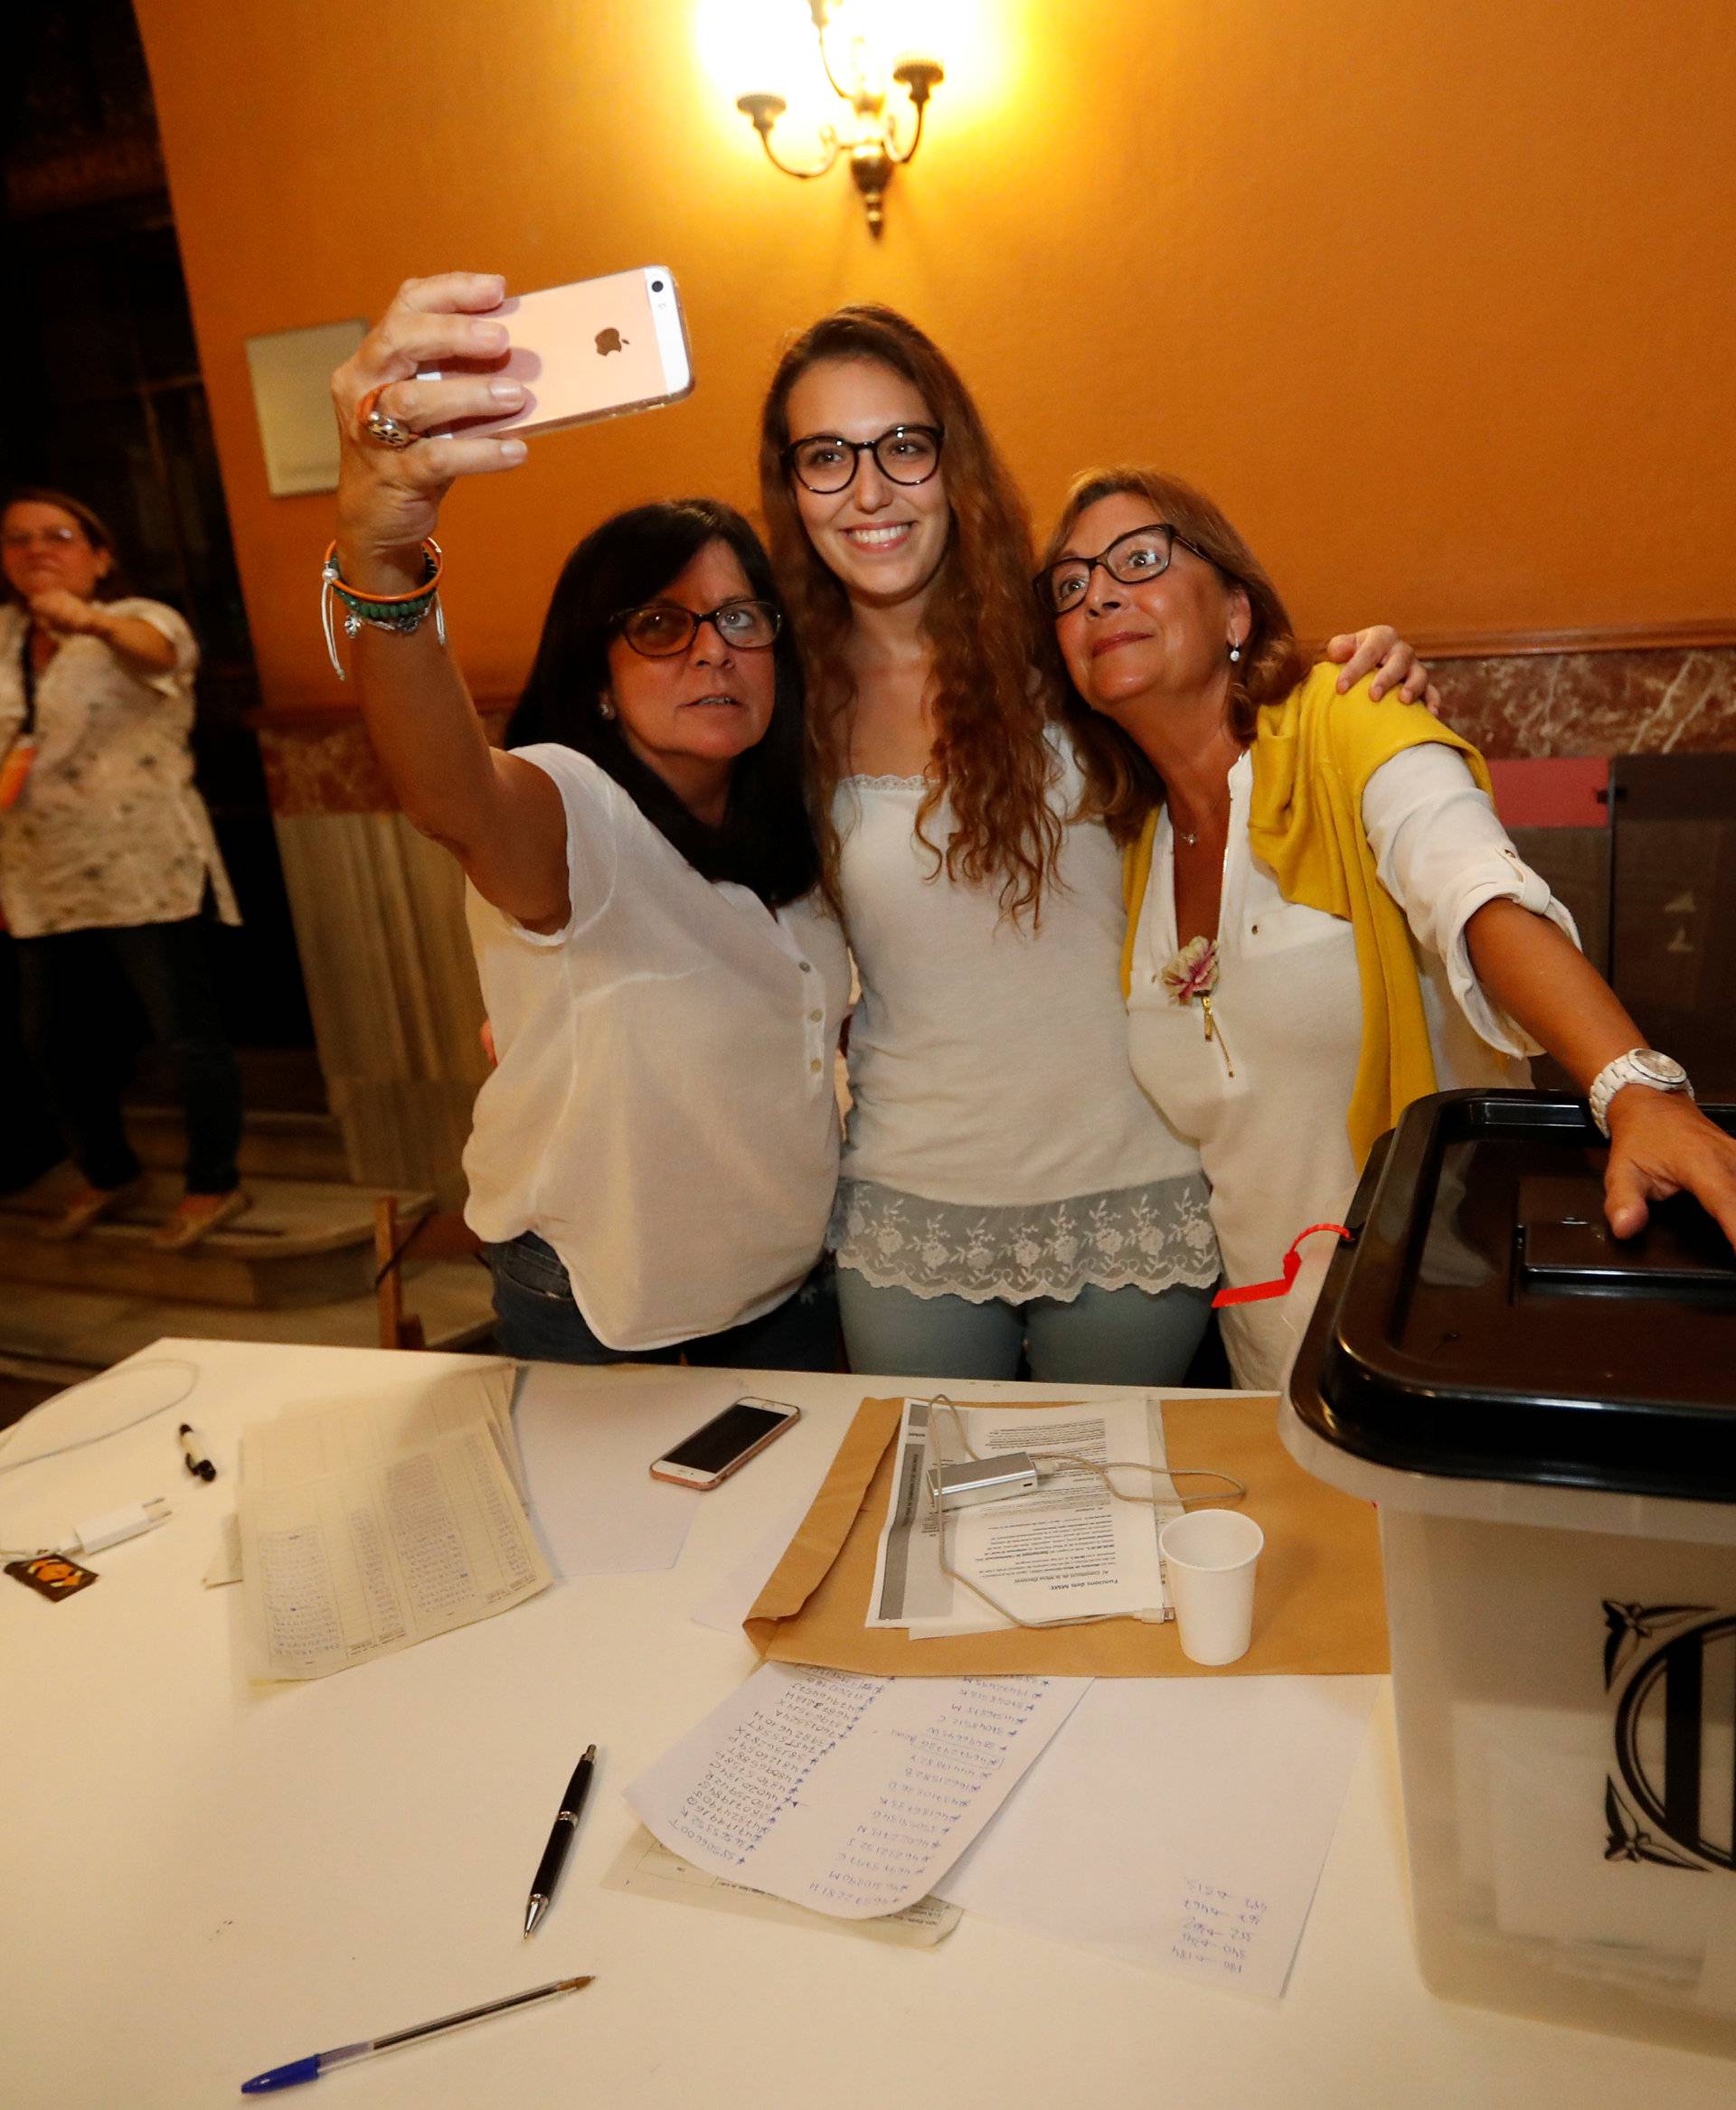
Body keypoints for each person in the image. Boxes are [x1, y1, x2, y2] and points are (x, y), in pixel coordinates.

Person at [757, 306, 1434, 1384]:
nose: (871, 489)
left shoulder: (1071, 640)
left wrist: (1369, 666)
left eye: (904, 446)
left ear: (952, 463)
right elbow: (716, 877)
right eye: (827, 457)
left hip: (1137, 1190)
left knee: (1120, 1525)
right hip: (909, 1205)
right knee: (935, 1504)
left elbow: (1242, 714)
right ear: (791, 488)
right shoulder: (783, 701)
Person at [1041, 466, 1736, 1389]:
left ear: (1236, 612)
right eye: (1071, 583)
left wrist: (1635, 1088)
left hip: (1449, 1326)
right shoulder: (1136, 843)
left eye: (1140, 559)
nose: (1103, 594)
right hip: (1271, 1357)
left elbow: (1474, 887)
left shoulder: (1347, 717)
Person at [328, 275, 850, 1368]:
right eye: (663, 623)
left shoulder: (793, 841)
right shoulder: (581, 812)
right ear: (601, 678)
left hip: (798, 1295)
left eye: (742, 620)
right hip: (619, 1319)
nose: (714, 650)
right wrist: (384, 560)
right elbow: (449, 793)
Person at [0, 488, 247, 1248]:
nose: (37, 550)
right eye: (17, 540)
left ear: (100, 555)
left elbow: (160, 656)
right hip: (37, 868)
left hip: (142, 861)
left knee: (183, 1032)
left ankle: (214, 1183)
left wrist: (92, 621)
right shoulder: (4, 634)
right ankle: (108, 1171)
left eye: (60, 535)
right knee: (50, 1039)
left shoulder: (141, 618)